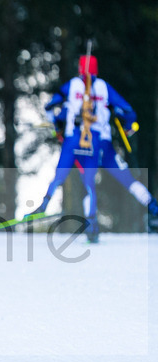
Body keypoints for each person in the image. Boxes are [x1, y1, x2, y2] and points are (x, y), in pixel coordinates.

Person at [32, 54, 158, 240]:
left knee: (78, 178)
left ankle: (47, 206)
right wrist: (127, 125)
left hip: (75, 141)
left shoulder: (72, 85)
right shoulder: (103, 87)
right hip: (101, 143)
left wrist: (56, 123)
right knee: (127, 179)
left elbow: (52, 106)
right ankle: (153, 209)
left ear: (80, 69)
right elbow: (128, 111)